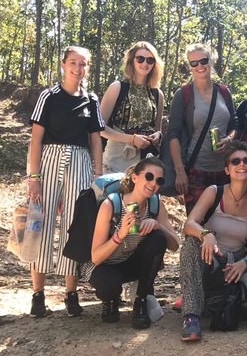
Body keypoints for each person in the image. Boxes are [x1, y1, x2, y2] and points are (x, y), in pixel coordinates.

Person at [26, 45, 105, 318]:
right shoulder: (49, 96)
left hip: (81, 163)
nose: (77, 68)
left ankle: (71, 293)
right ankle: (38, 293)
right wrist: (33, 177)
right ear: (63, 64)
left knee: (75, 225)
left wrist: (98, 175)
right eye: (73, 62)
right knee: (43, 223)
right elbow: (36, 139)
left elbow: (96, 141)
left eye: (83, 64)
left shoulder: (92, 100)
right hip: (49, 160)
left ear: (87, 68)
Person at [179, 143, 247, 342]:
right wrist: (206, 234)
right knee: (191, 246)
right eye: (235, 161)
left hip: (236, 263)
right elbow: (189, 224)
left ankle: (234, 300)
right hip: (212, 260)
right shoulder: (214, 192)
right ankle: (191, 316)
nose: (241, 165)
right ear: (227, 169)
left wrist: (244, 263)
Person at [86, 158, 181, 328]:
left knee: (158, 237)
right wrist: (120, 234)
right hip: (106, 264)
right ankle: (111, 299)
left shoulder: (155, 205)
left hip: (133, 262)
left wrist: (158, 225)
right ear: (135, 177)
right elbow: (96, 257)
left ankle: (141, 300)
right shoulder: (111, 205)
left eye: (159, 181)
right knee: (108, 287)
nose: (153, 184)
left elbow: (174, 245)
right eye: (149, 176)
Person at [166, 44, 237, 214]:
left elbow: (235, 124)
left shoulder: (224, 92)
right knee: (198, 224)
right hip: (196, 171)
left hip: (225, 171)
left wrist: (229, 139)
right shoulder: (183, 94)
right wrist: (180, 171)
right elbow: (173, 133)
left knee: (222, 222)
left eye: (203, 61)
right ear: (189, 66)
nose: (199, 66)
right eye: (194, 63)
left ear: (210, 61)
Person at [99, 41, 165, 173]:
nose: (145, 63)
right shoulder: (117, 88)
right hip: (118, 157)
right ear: (131, 61)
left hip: (146, 160)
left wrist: (158, 136)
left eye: (150, 60)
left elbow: (158, 129)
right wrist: (132, 139)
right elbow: (100, 128)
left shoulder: (157, 94)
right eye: (140, 59)